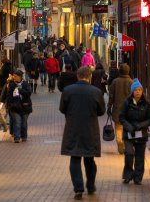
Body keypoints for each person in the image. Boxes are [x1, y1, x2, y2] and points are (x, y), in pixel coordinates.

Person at [60, 67, 105, 200]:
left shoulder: (68, 91)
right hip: (90, 130)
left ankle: (78, 189)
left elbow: (62, 109)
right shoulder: (96, 92)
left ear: (77, 76)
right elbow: (101, 111)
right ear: (89, 76)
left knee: (74, 158)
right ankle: (90, 186)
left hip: (73, 129)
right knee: (89, 159)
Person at [119, 78, 150, 185]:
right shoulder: (127, 103)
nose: (138, 92)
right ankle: (128, 175)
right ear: (132, 91)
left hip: (141, 134)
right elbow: (121, 117)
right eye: (136, 90)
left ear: (142, 91)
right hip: (129, 133)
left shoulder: (146, 104)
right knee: (129, 154)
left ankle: (138, 178)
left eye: (139, 90)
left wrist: (140, 125)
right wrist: (129, 127)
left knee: (139, 156)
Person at [107, 63, 133, 154]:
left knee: (118, 128)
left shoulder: (115, 82)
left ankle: (120, 143)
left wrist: (109, 106)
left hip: (117, 109)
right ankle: (127, 144)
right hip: (129, 110)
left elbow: (111, 96)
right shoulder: (132, 82)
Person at [0, 69, 32, 143]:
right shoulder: (11, 84)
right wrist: (10, 104)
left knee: (24, 123)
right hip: (15, 107)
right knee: (17, 122)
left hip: (25, 107)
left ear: (20, 77)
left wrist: (20, 90)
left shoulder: (25, 84)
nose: (14, 77)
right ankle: (17, 137)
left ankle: (24, 136)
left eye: (16, 76)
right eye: (14, 76)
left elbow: (28, 93)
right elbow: (8, 95)